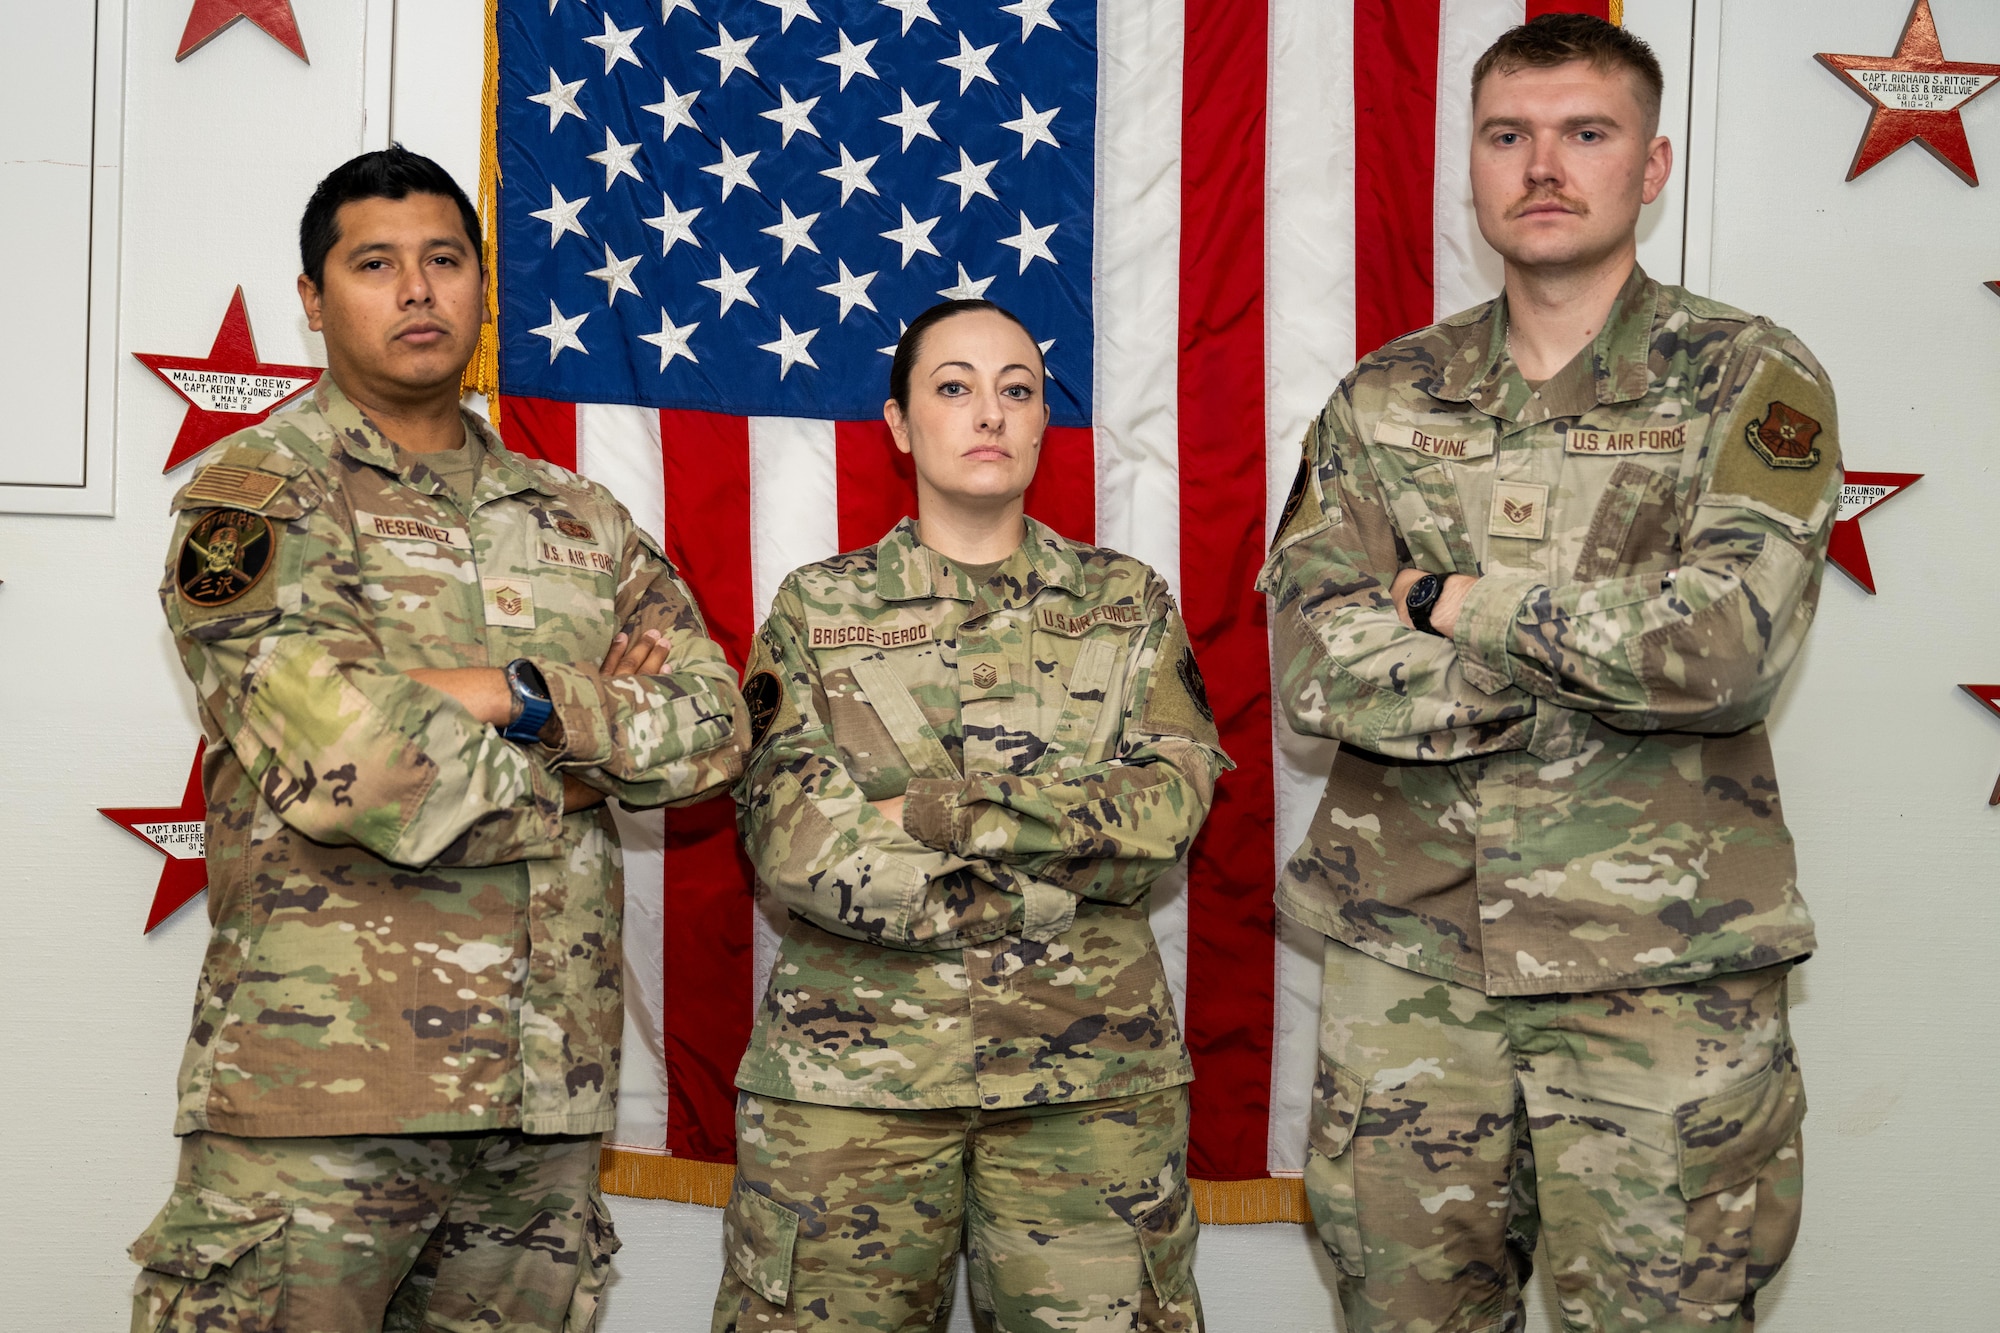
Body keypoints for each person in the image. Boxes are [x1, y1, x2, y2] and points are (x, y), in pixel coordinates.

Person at [1258, 15, 1834, 1332]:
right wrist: (1578, 661)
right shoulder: (1385, 398)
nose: (1544, 166)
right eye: (1508, 135)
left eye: (1588, 132)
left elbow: (1723, 649)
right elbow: (1312, 660)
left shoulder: (1748, 377)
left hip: (1661, 979)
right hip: (1409, 968)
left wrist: (1452, 604)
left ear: (1654, 162)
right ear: (1470, 163)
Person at [127, 147, 748, 1333]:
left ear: (479, 287)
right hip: (321, 1103)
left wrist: (508, 693)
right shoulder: (258, 496)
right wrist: (578, 761)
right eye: (375, 264)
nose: (417, 291)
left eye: (443, 261)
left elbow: (713, 730)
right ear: (313, 298)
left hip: (540, 1104)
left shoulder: (578, 516)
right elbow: (346, 761)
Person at [711, 299, 1228, 1333]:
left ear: (1042, 424)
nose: (987, 412)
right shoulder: (819, 609)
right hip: (852, 1088)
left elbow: (1166, 808)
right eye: (953, 386)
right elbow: (789, 832)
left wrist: (942, 813)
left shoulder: (1127, 604)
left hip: (1085, 1093)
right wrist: (1048, 869)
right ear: (900, 423)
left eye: (1016, 389)